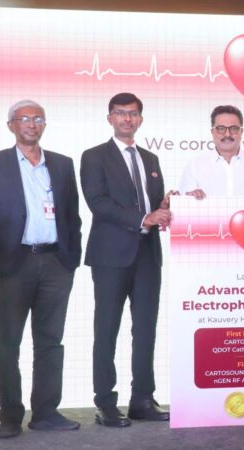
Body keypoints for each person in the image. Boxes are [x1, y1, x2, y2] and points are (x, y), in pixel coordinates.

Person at [0, 99, 82, 438]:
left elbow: (72, 216)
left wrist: (71, 258)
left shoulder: (62, 164)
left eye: (38, 119)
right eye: (24, 119)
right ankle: (10, 417)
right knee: (9, 343)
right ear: (11, 126)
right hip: (12, 264)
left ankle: (45, 412)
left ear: (44, 125)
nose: (32, 124)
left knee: (51, 341)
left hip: (55, 263)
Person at [81, 92, 172, 427]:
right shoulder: (94, 156)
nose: (127, 118)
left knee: (145, 329)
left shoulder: (150, 158)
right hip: (110, 256)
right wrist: (143, 218)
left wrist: (167, 207)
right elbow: (97, 202)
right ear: (110, 118)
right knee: (107, 329)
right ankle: (105, 403)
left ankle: (142, 399)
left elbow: (152, 203)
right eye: (120, 113)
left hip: (148, 254)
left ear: (140, 119)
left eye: (133, 113)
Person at [179, 105, 244, 197]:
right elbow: (184, 206)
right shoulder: (195, 166)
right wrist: (189, 198)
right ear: (212, 132)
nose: (227, 134)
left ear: (241, 132)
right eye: (221, 128)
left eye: (233, 128)